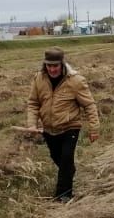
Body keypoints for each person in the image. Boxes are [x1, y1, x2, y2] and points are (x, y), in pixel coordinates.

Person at [26, 47, 100, 202]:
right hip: (49, 128)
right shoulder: (39, 79)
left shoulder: (76, 81)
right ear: (45, 65)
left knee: (66, 159)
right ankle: (69, 172)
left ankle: (63, 196)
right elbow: (33, 103)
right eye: (49, 66)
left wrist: (94, 128)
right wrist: (31, 123)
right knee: (57, 158)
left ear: (62, 64)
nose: (52, 69)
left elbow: (89, 105)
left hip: (70, 127)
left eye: (55, 66)